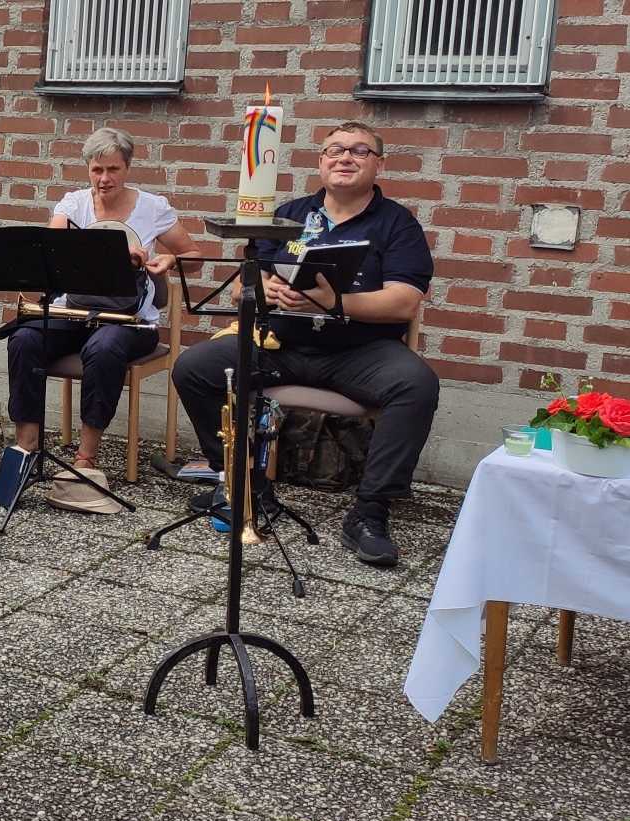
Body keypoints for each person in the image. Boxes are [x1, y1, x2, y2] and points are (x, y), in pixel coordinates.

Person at [171, 120, 437, 567]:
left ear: (378, 164)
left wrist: (339, 302)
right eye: (334, 150)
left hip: (359, 351)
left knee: (417, 386)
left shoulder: (397, 224)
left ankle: (370, 512)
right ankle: (248, 487)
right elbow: (240, 290)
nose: (344, 158)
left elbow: (404, 302)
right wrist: (264, 291)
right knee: (193, 368)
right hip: (282, 343)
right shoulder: (289, 215)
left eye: (358, 151)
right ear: (321, 161)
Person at [6, 127, 200, 470]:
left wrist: (169, 260)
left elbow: (194, 256)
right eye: (97, 170)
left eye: (113, 169)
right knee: (23, 339)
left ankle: (86, 457)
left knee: (103, 349)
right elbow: (51, 254)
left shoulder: (152, 208)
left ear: (127, 168)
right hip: (75, 312)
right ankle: (26, 448)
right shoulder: (74, 203)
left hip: (132, 320)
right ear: (88, 169)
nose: (104, 178)